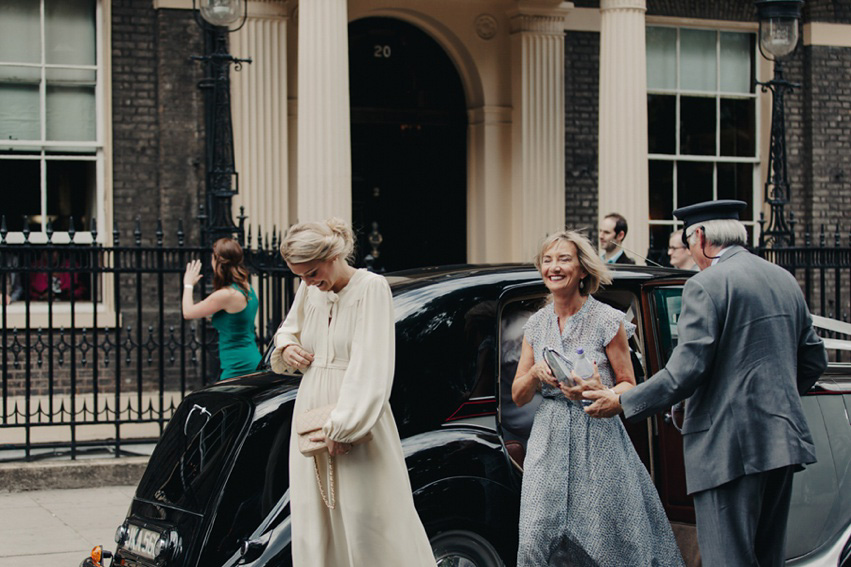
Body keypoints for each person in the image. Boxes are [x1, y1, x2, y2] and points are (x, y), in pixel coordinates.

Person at [584, 200, 828, 567]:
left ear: (699, 236)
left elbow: (684, 372)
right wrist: (775, 399)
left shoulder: (706, 285)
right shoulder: (783, 278)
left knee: (727, 560)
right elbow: (813, 360)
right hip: (781, 441)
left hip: (726, 448)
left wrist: (623, 401)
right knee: (767, 558)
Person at [269, 218, 436, 567]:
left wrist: (347, 425)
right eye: (301, 276)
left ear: (334, 255)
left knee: (369, 518)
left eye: (313, 272)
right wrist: (286, 348)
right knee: (314, 518)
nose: (309, 282)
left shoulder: (371, 288)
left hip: (354, 415)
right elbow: (288, 329)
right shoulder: (311, 288)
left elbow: (372, 362)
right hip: (312, 411)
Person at [511, 229, 683, 566]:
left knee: (607, 540)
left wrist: (601, 391)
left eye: (563, 259)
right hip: (548, 439)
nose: (554, 267)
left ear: (583, 270)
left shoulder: (606, 320)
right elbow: (518, 395)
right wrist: (534, 374)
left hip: (598, 435)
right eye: (547, 260)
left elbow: (628, 385)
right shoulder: (536, 324)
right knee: (535, 536)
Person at [182, 237, 262, 380]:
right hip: (249, 358)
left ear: (217, 262)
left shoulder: (226, 295)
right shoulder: (246, 287)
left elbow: (188, 312)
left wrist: (188, 284)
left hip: (238, 366)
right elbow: (233, 319)